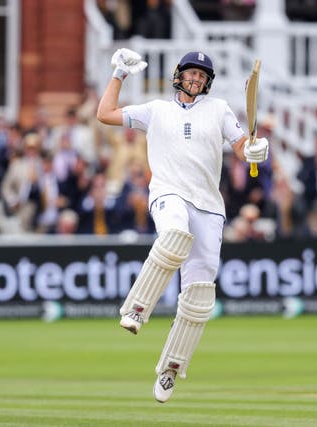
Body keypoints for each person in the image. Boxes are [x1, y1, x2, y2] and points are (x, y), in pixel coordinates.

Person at [96, 48, 269, 403]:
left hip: (209, 206)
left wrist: (253, 149)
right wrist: (119, 74)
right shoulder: (156, 110)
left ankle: (172, 368)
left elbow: (239, 143)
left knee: (200, 294)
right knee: (174, 236)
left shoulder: (218, 109)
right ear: (179, 74)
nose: (196, 79)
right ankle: (137, 309)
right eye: (192, 73)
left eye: (202, 76)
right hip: (168, 193)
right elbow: (105, 114)